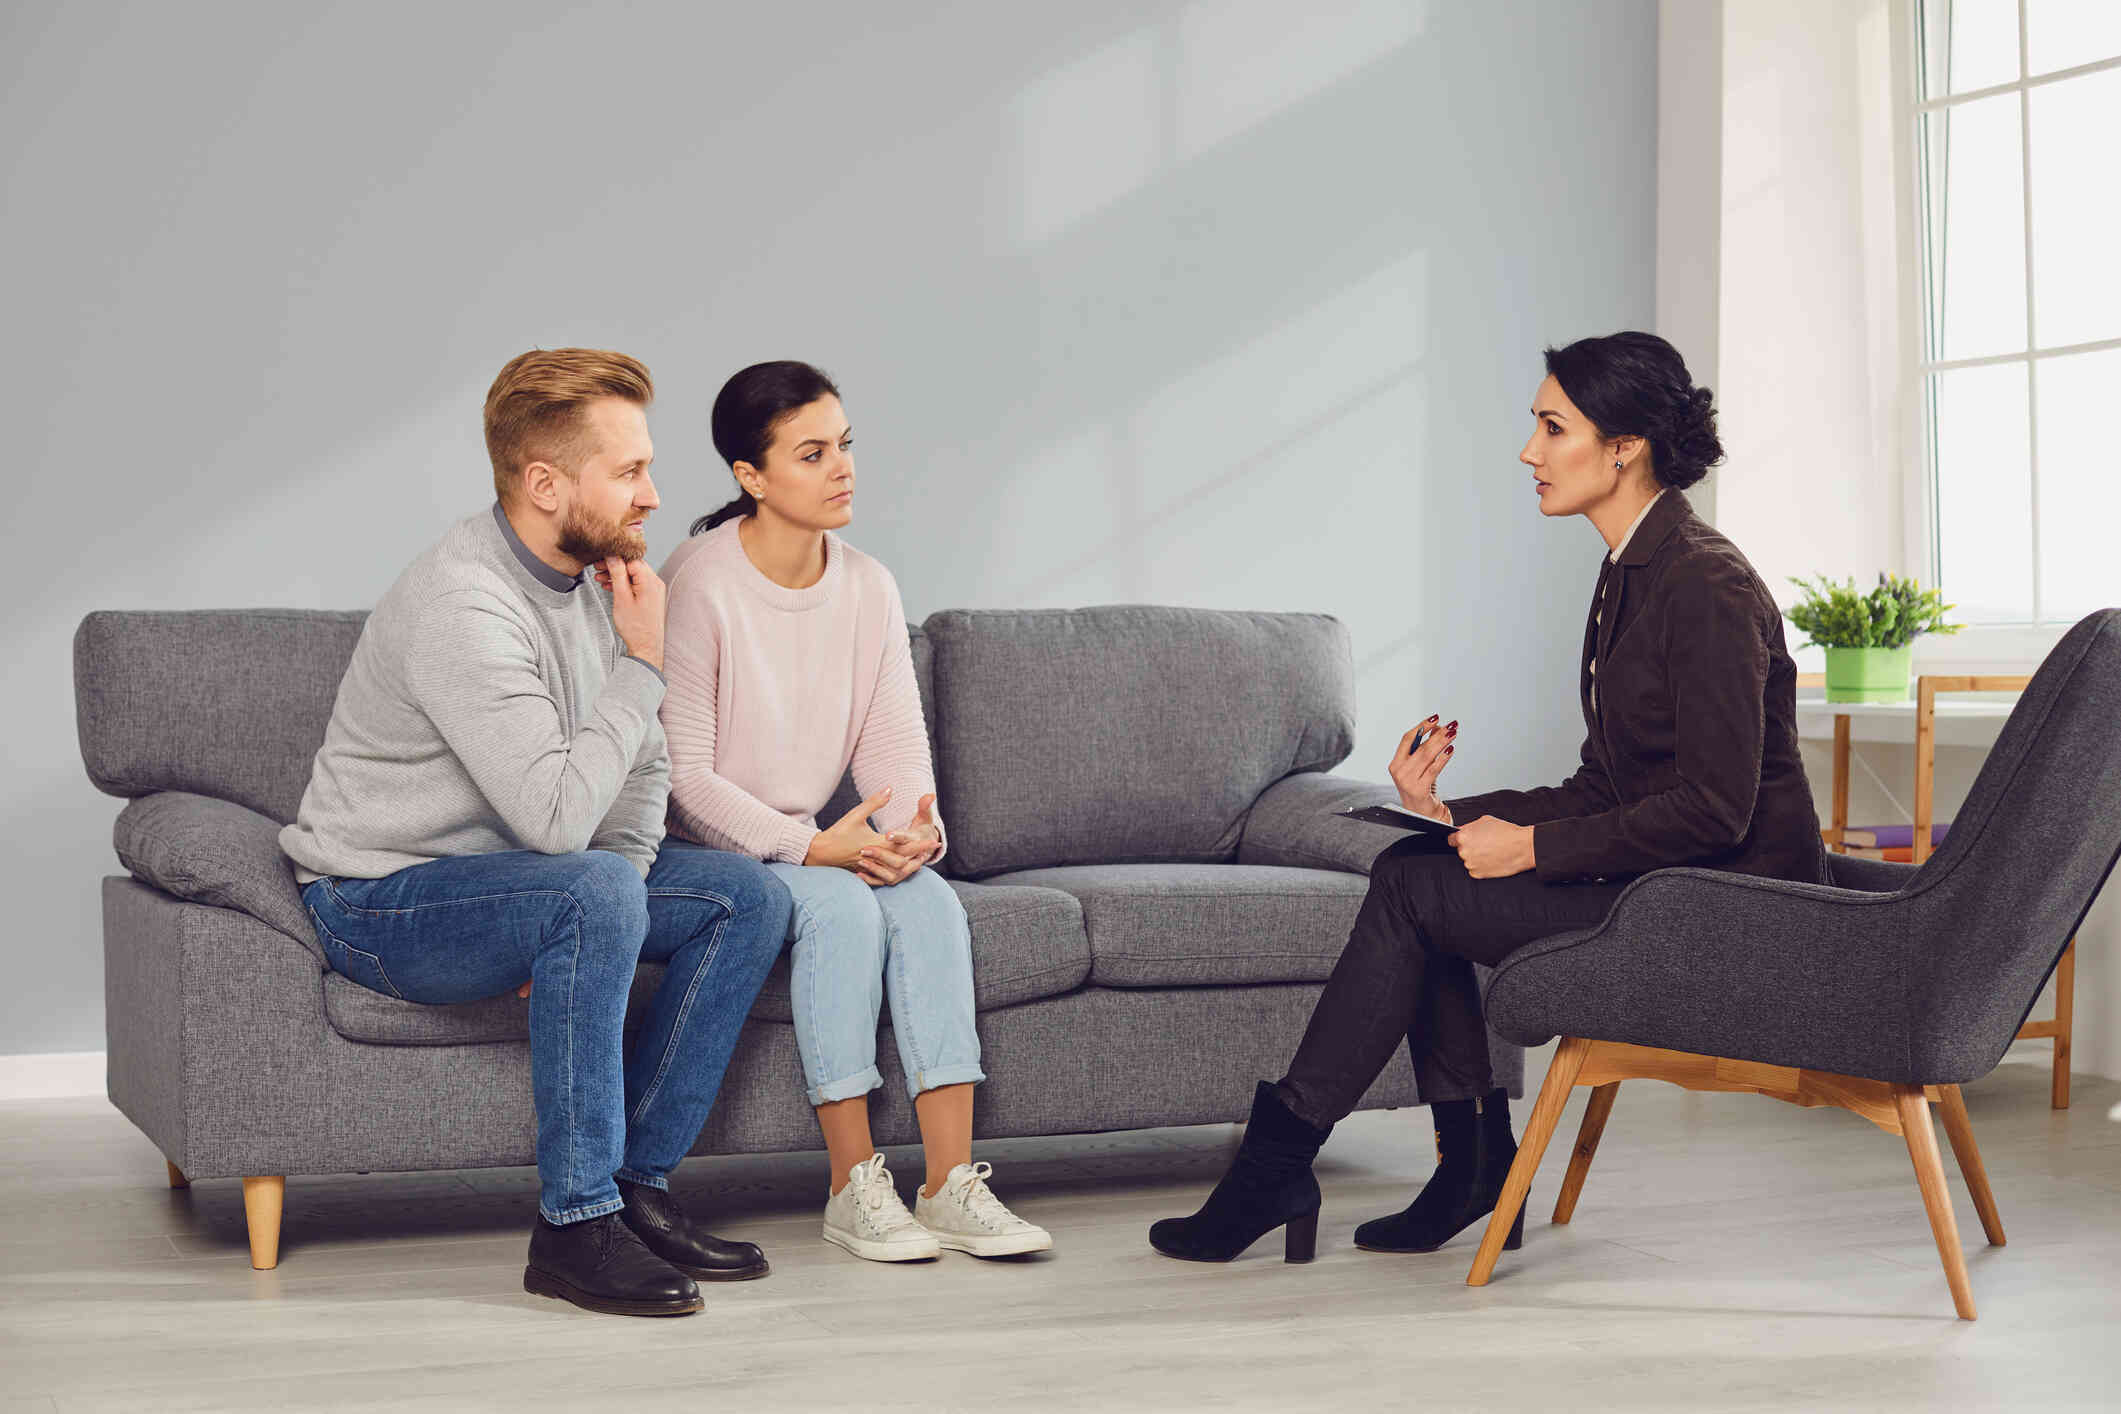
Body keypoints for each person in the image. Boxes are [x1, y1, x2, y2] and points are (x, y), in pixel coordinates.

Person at [1149, 331, 1829, 1264]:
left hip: (1725, 909)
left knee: (1409, 888)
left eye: (1553, 428)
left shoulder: (1702, 584)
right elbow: (1607, 786)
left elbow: (1716, 811)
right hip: (1670, 880)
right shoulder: (1631, 570)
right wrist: (1453, 815)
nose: (1528, 451)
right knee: (1417, 863)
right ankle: (1447, 1161)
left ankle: (1299, 1162)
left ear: (1623, 446)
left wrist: (1533, 852)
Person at [280, 349, 793, 1317]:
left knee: (749, 894)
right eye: (629, 470)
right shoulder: (461, 602)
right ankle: (573, 1223)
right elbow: (557, 818)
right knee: (587, 888)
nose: (653, 494)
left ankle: (635, 1190)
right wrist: (643, 667)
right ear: (544, 482)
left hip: (514, 876)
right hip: (380, 894)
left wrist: (587, 913)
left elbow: (640, 774)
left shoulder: (602, 581)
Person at [653, 360, 1050, 1264]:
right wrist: (808, 848)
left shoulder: (869, 584)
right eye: (811, 452)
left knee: (931, 906)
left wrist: (918, 831)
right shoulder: (701, 583)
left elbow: (896, 744)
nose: (843, 469)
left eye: (844, 445)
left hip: (823, 838)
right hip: (724, 849)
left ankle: (951, 1185)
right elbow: (686, 777)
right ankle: (851, 1186)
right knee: (837, 913)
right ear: (749, 477)